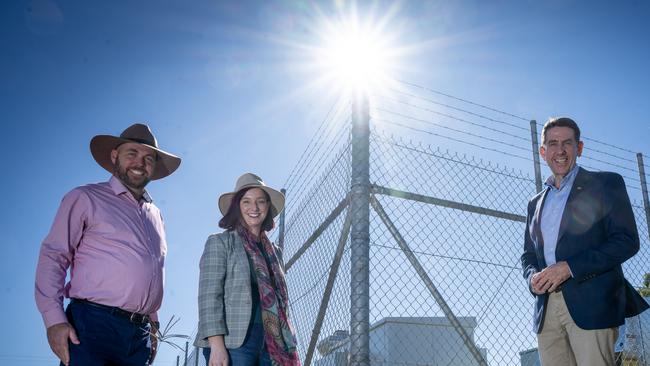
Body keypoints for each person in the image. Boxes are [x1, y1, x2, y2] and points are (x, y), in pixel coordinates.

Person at [35, 123, 181, 366]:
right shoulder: (84, 197)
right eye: (131, 153)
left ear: (153, 167)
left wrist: (153, 323)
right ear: (115, 156)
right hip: (92, 324)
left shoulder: (156, 215)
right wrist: (54, 319)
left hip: (140, 335)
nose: (139, 162)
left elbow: (153, 269)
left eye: (148, 157)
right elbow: (54, 255)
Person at [521, 117, 648, 365]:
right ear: (543, 151)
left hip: (592, 304)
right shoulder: (534, 204)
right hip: (546, 310)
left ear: (579, 148)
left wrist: (569, 267)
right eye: (553, 143)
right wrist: (531, 278)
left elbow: (626, 240)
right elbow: (528, 255)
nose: (560, 151)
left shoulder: (606, 183)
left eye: (567, 143)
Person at [195, 173, 301, 366]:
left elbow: (280, 300)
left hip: (272, 343)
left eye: (261, 201)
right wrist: (217, 346)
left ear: (268, 207)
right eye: (247, 201)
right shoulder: (221, 242)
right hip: (233, 343)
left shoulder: (274, 252)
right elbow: (209, 296)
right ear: (237, 206)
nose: (254, 208)